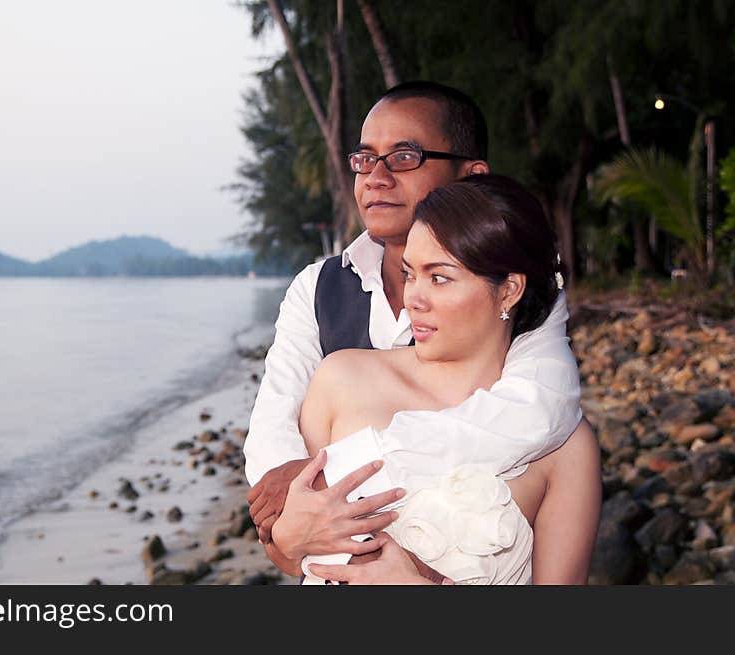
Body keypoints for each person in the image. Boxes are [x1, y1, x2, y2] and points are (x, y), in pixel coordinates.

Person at [245, 82, 582, 554]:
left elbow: (538, 408)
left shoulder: (517, 289)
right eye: (365, 158)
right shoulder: (317, 289)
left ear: (471, 175)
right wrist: (289, 520)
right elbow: (273, 427)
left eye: (404, 157)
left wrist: (333, 471)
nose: (375, 177)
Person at [266, 175, 601, 584]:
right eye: (410, 274)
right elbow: (290, 550)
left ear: (509, 290)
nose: (413, 299)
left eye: (439, 278)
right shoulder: (342, 379)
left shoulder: (564, 446)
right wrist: (287, 534)